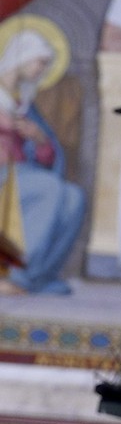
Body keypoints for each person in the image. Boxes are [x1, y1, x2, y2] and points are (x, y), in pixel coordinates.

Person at [0, 24, 84, 294]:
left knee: (74, 198)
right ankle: (14, 273)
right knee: (49, 188)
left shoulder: (24, 105)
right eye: (41, 62)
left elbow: (49, 158)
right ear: (23, 56)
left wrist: (38, 138)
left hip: (20, 174)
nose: (42, 70)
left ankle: (38, 276)